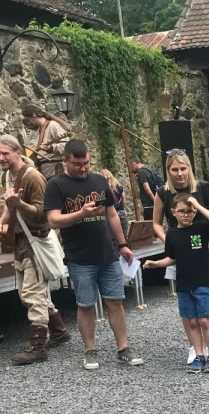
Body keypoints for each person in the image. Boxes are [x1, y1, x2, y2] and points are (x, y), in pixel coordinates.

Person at [44, 139, 143, 370]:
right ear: (65, 161)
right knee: (86, 305)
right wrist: (81, 213)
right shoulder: (56, 185)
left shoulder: (99, 180)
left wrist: (123, 244)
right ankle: (90, 351)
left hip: (107, 254)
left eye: (87, 163)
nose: (83, 168)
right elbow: (53, 220)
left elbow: (112, 214)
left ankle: (123, 348)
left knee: (116, 302)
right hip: (79, 257)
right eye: (78, 164)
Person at [0, 135, 71, 365]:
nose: (1, 157)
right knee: (30, 292)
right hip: (21, 241)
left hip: (35, 239)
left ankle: (38, 347)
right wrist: (2, 223)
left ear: (19, 152)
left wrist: (18, 205)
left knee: (31, 294)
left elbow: (40, 212)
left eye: (5, 153)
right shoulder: (8, 176)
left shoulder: (33, 177)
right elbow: (9, 204)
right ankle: (58, 331)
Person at [153, 150, 209, 363]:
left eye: (183, 168)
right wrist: (170, 241)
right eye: (174, 169)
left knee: (205, 299)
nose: (179, 173)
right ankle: (195, 347)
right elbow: (156, 222)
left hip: (204, 245)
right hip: (178, 247)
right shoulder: (162, 192)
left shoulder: (202, 188)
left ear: (189, 169)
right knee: (187, 304)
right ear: (168, 171)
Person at [144, 193, 209, 373]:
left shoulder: (202, 228)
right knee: (193, 322)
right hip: (184, 284)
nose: (186, 214)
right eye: (181, 211)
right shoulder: (171, 234)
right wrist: (156, 263)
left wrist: (198, 205)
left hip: (202, 281)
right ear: (173, 212)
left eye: (189, 211)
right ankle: (198, 355)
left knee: (205, 320)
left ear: (195, 212)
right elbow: (172, 258)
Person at [22, 104, 70, 179]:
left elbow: (67, 146)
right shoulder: (38, 132)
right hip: (44, 171)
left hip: (55, 170)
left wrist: (51, 147)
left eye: (28, 119)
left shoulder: (53, 125)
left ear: (34, 115)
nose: (29, 123)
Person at [100, 169, 128, 235]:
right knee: (124, 235)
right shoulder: (119, 186)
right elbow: (123, 199)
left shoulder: (103, 188)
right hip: (121, 211)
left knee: (113, 236)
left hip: (111, 214)